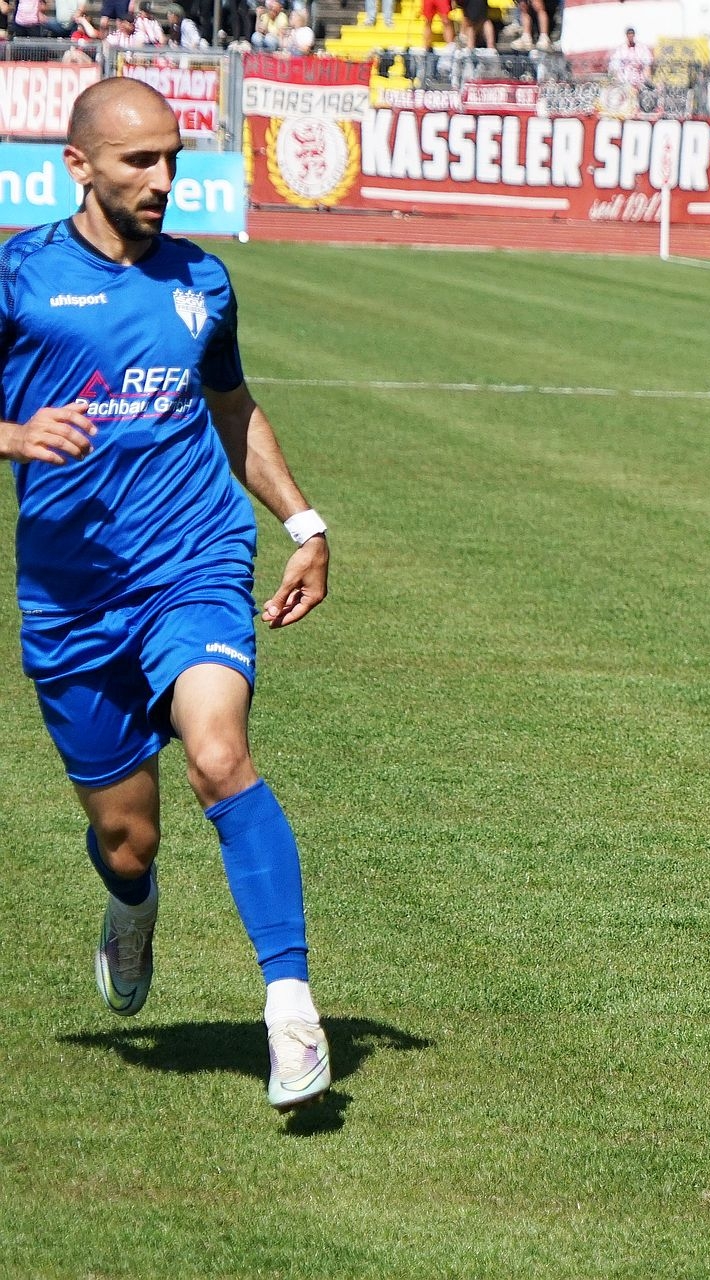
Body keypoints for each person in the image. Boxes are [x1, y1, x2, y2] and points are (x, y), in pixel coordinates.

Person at [0, 78, 334, 1113]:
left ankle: (292, 1011)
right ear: (78, 166)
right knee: (127, 839)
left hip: (193, 563)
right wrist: (11, 434)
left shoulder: (203, 280)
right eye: (138, 161)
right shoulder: (19, 276)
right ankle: (133, 906)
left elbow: (231, 407)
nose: (162, 180)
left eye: (174, 160)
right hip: (69, 599)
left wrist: (304, 524)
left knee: (219, 754)